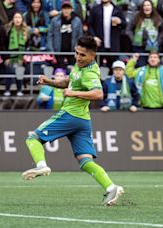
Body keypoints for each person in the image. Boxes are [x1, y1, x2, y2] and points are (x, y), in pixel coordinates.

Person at [22, 36, 124, 206]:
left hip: (70, 115)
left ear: (92, 56)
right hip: (82, 121)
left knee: (33, 138)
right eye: (76, 53)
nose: (77, 57)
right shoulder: (79, 65)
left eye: (82, 55)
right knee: (85, 161)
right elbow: (68, 82)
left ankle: (41, 166)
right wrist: (49, 81)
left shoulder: (90, 72)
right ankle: (111, 187)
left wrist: (73, 94)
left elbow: (98, 94)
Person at [46, 1, 83, 69]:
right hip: (58, 53)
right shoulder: (55, 21)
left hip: (72, 53)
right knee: (59, 74)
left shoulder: (77, 21)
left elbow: (80, 37)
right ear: (61, 10)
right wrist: (52, 52)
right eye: (64, 8)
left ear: (71, 9)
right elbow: (50, 37)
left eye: (68, 8)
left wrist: (78, 52)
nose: (66, 10)